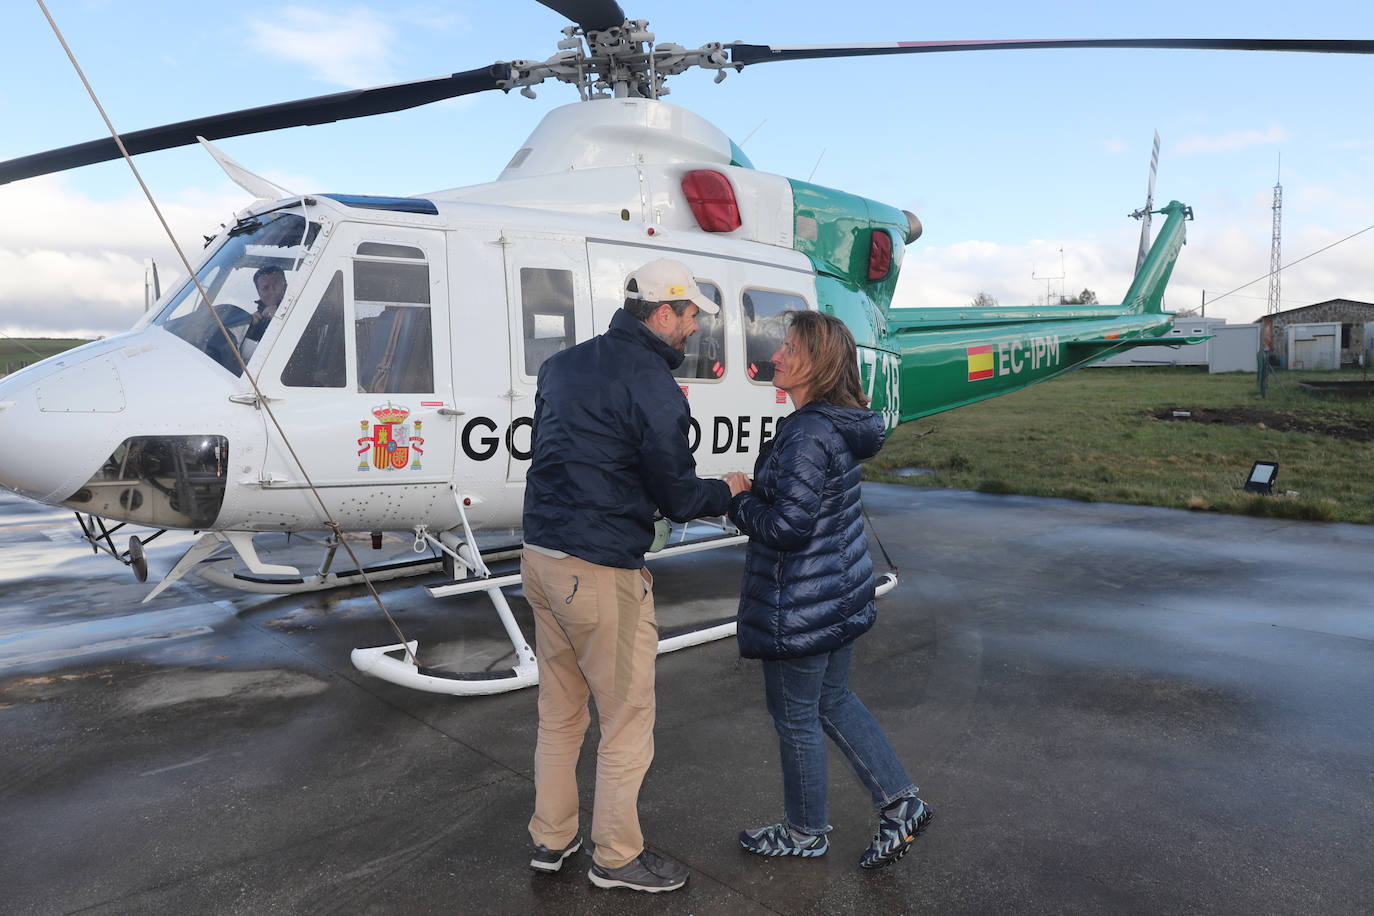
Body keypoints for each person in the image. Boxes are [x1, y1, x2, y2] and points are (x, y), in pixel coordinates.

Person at [521, 258, 748, 893]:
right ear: (663, 311)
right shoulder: (652, 383)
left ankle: (551, 836)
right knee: (626, 720)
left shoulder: (562, 365)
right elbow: (676, 496)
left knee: (560, 713)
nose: (696, 327)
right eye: (691, 315)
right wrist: (727, 490)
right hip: (599, 572)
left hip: (540, 559)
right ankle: (617, 857)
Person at [725, 311, 933, 870]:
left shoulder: (807, 434)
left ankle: (804, 831)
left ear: (815, 363)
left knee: (796, 715)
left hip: (804, 604)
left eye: (788, 348)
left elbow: (787, 527)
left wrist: (739, 497)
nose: (776, 356)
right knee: (832, 701)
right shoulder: (832, 426)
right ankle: (901, 803)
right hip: (838, 593)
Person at [245, 265, 286, 343]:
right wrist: (251, 327)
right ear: (258, 292)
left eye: (275, 285)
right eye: (265, 288)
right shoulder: (255, 320)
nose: (272, 291)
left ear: (285, 286)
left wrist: (281, 314)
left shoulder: (300, 310)